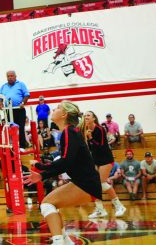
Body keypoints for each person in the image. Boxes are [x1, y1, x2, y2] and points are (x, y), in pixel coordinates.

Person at [24, 101, 102, 245]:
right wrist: (42, 173)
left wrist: (41, 170)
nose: (54, 109)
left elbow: (66, 162)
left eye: (58, 107)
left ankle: (58, 241)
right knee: (51, 205)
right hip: (86, 183)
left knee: (46, 204)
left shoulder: (69, 132)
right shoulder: (69, 132)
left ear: (64, 114)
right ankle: (65, 241)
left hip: (86, 184)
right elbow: (67, 162)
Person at [81, 111, 126, 218]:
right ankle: (100, 209)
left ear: (93, 118)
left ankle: (119, 206)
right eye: (85, 116)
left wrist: (90, 138)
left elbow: (101, 146)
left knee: (101, 183)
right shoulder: (87, 130)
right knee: (94, 184)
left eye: (88, 115)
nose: (86, 117)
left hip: (106, 159)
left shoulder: (100, 129)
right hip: (96, 160)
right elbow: (91, 148)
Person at [0, 70, 30, 148]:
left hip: (19, 109)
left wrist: (23, 103)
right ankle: (13, 146)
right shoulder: (3, 86)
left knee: (21, 128)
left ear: (15, 77)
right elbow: (0, 97)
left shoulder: (21, 84)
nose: (10, 78)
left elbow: (27, 95)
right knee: (11, 128)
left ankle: (22, 146)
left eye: (11, 76)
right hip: (8, 111)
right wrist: (1, 104)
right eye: (8, 76)